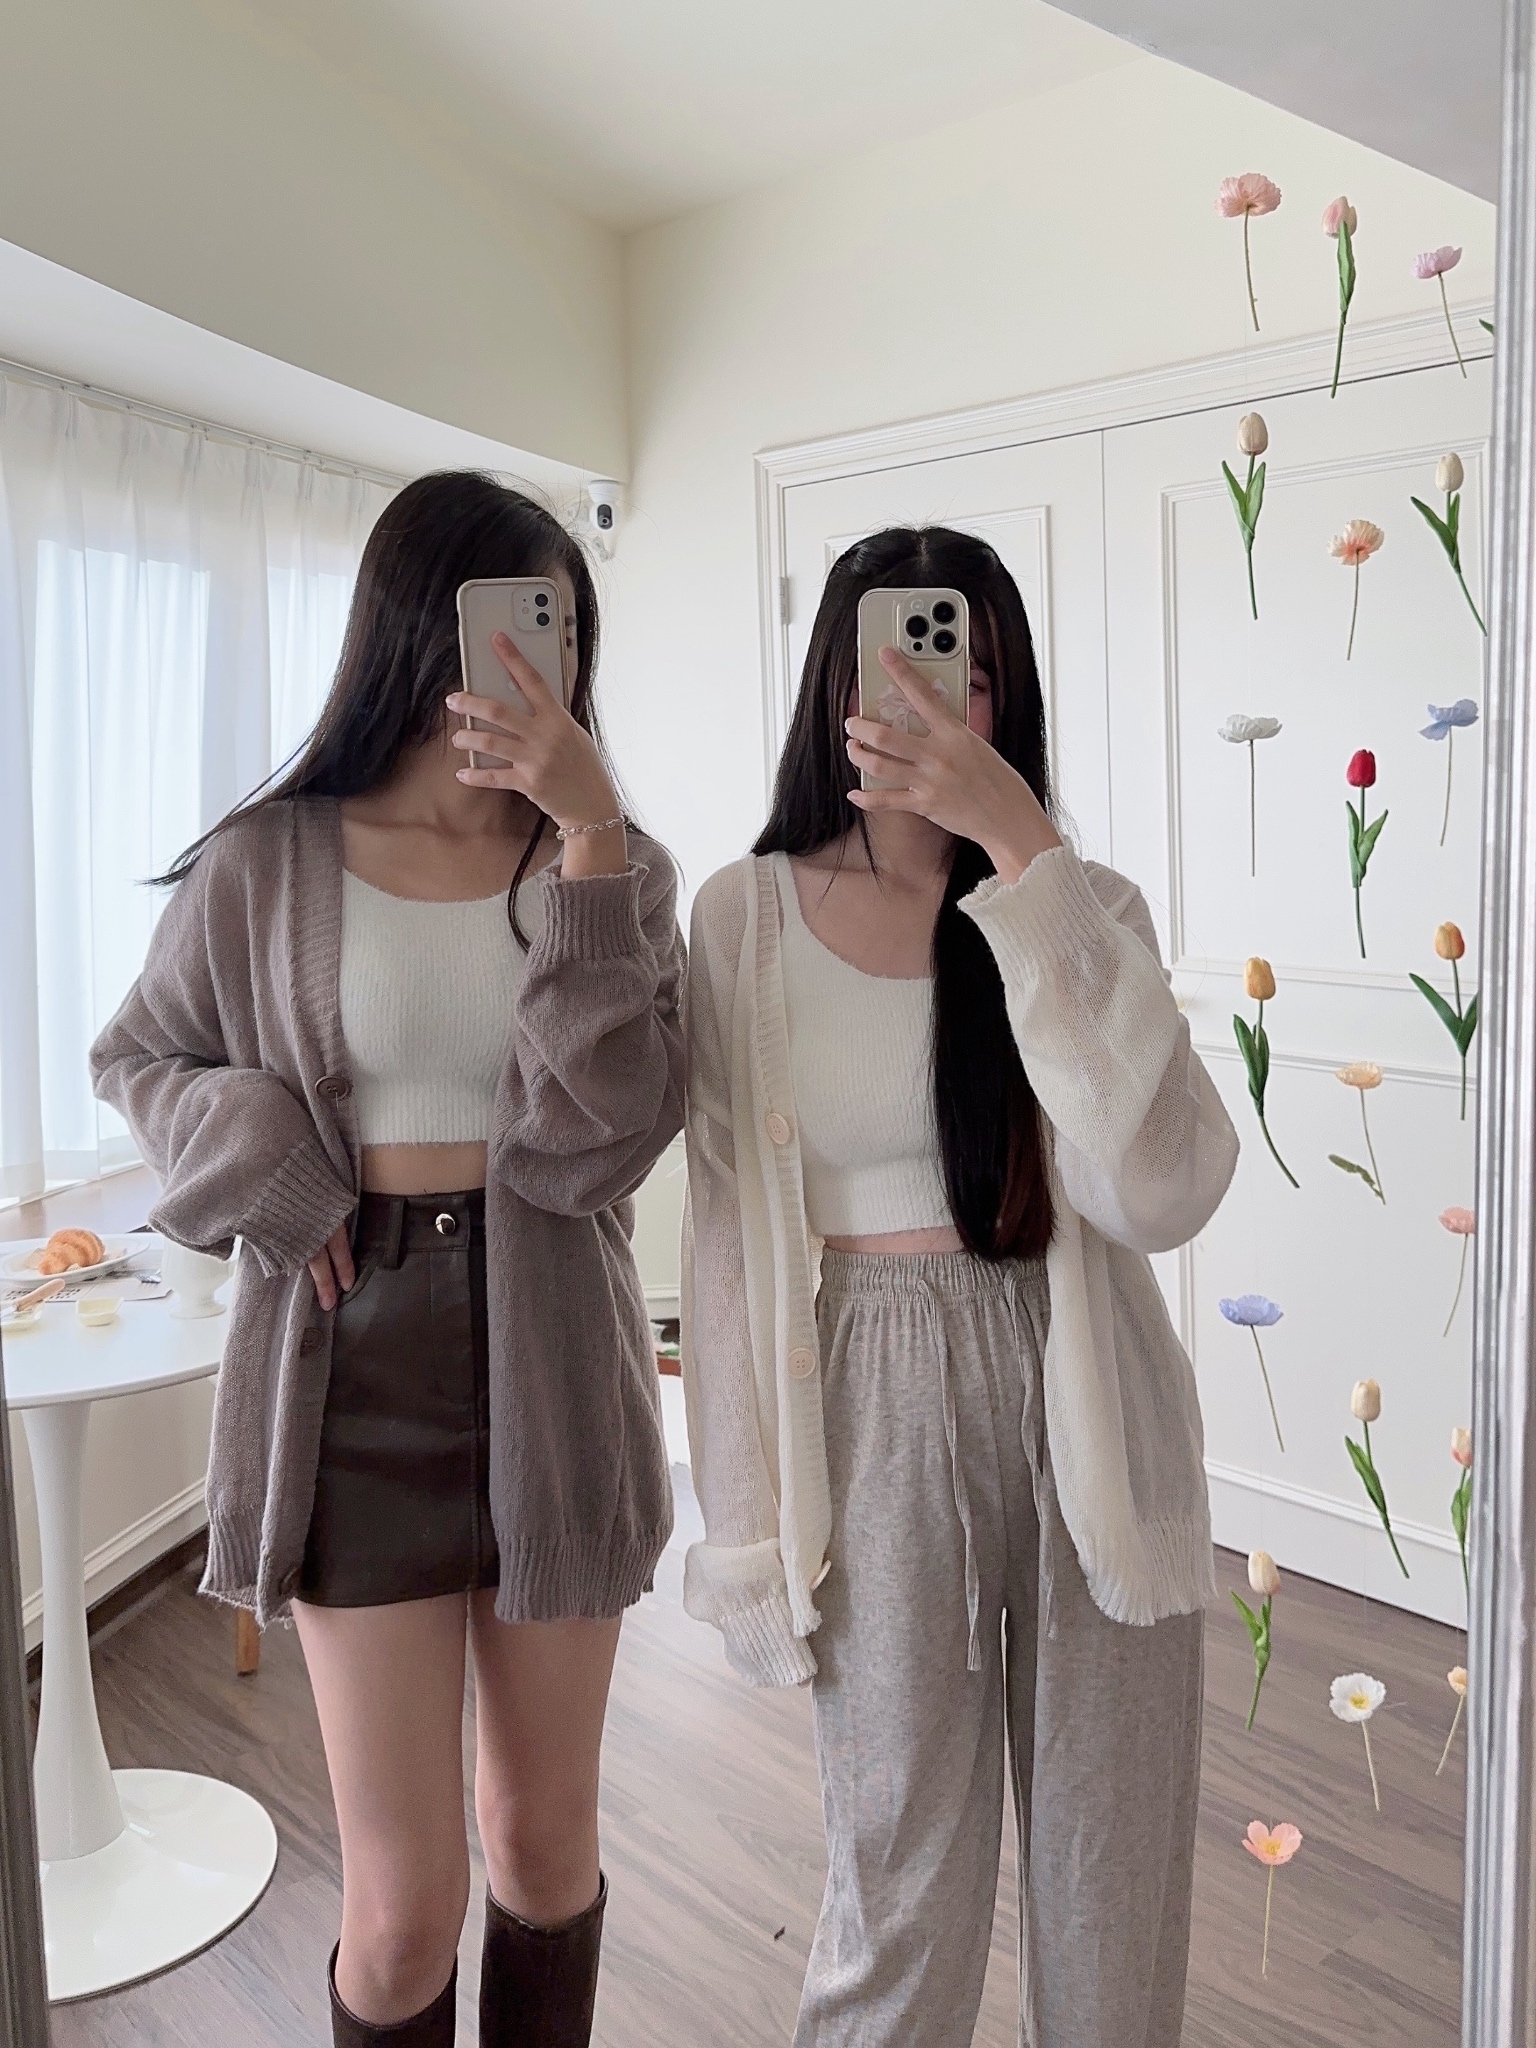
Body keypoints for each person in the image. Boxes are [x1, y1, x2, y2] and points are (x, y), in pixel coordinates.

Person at [92, 472, 684, 2048]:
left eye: (565, 626)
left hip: (558, 1359)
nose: (541, 657)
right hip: (351, 1361)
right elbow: (140, 1059)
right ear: (419, 627)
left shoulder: (617, 868)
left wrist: (590, 838)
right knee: (403, 1908)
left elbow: (605, 1139)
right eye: (513, 618)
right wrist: (279, 1175)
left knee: (544, 1845)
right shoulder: (268, 861)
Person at [680, 526, 1238, 2048]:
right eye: (912, 661)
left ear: (1014, 700)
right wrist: (744, 1527)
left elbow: (1162, 1191)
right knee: (897, 1877)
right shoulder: (743, 917)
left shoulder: (1085, 906)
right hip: (865, 1397)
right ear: (839, 687)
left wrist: (1023, 855)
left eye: (976, 674)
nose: (940, 699)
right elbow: (725, 1244)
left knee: (1109, 1877)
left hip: (1085, 1385)